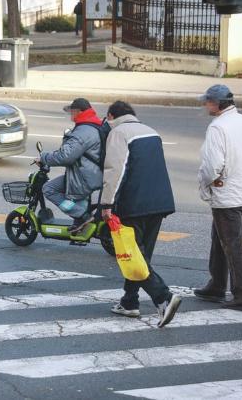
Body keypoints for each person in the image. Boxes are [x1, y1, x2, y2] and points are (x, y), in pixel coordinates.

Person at [100, 101, 181, 328]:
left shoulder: (118, 133)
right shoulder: (151, 132)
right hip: (159, 202)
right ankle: (129, 302)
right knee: (140, 255)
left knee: (133, 256)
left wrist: (106, 204)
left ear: (111, 116)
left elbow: (115, 170)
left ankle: (164, 297)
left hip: (134, 203)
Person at [195, 85, 242, 309]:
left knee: (231, 245)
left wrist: (205, 184)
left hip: (227, 192)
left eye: (207, 101)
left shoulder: (218, 128)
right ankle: (216, 285)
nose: (205, 105)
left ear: (216, 103)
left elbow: (212, 166)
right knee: (219, 238)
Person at [35, 98, 104, 233]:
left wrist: (44, 157)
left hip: (85, 178)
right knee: (69, 189)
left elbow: (65, 156)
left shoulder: (83, 131)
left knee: (49, 189)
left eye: (72, 111)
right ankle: (79, 221)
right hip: (92, 173)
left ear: (78, 112)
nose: (71, 115)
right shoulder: (94, 124)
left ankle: (82, 216)